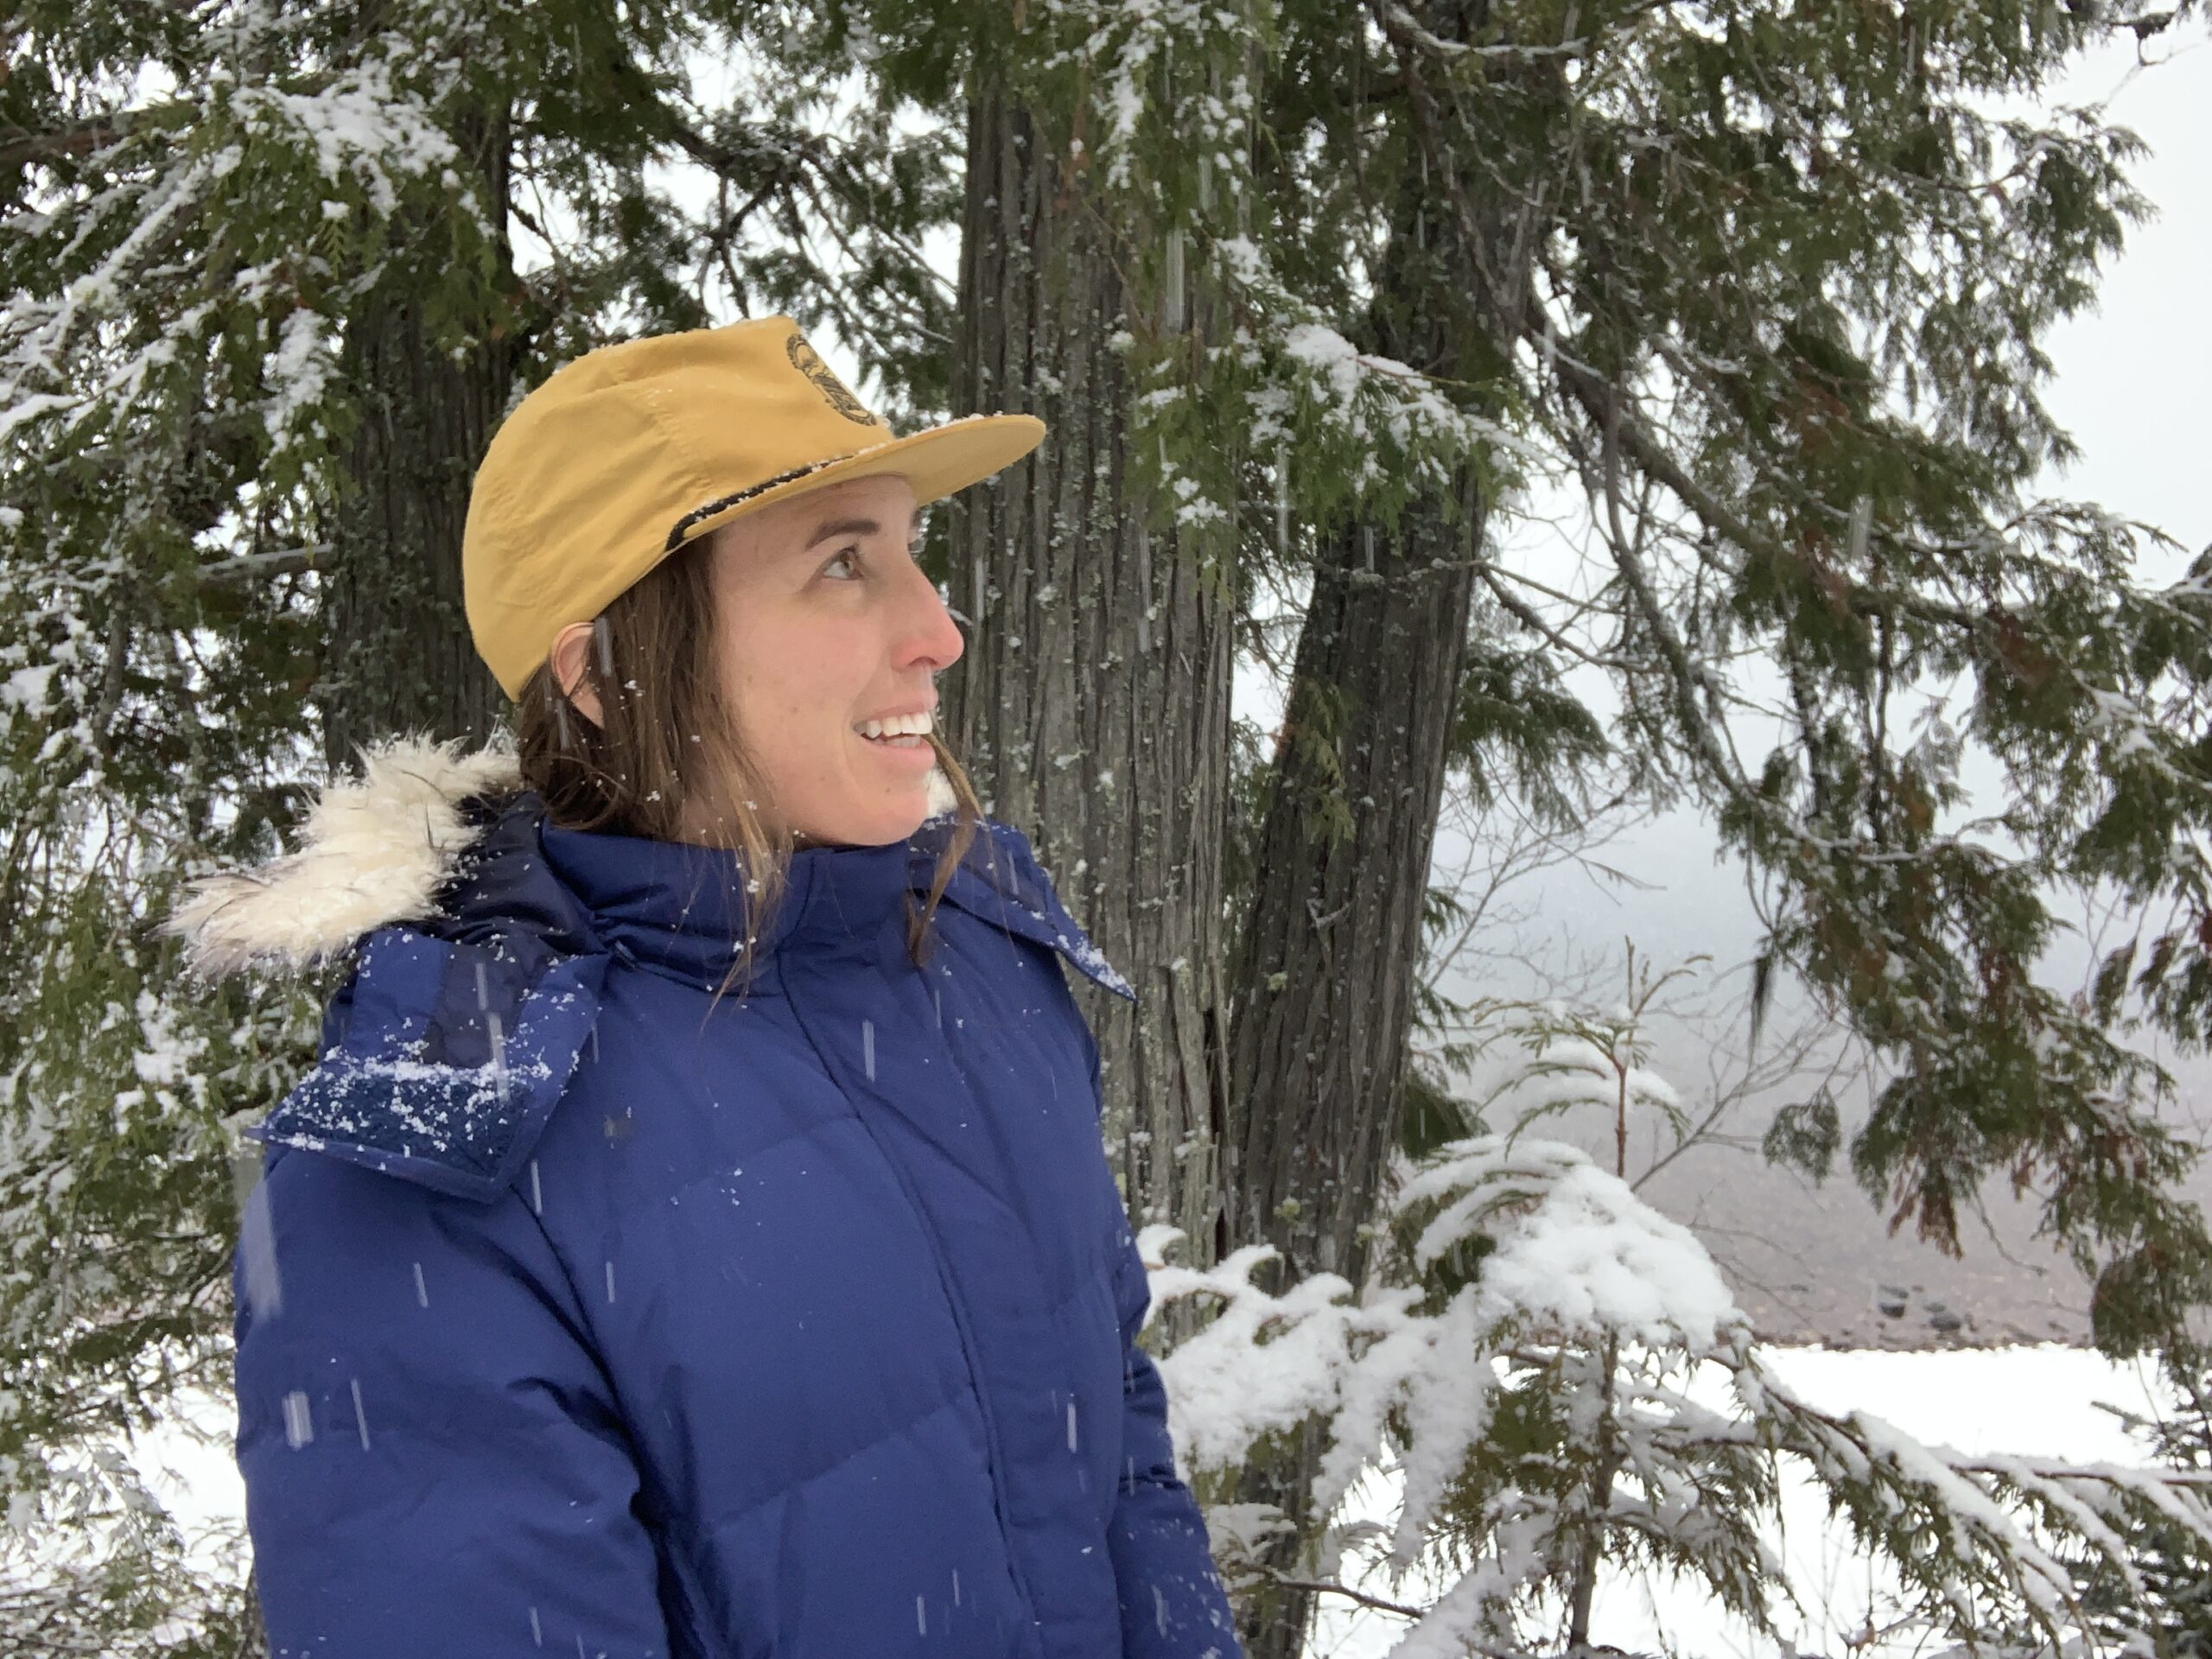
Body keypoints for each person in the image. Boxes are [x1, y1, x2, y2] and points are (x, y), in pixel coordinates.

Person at [170, 316, 1243, 1659]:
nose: (937, 630)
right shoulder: (433, 1155)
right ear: (603, 675)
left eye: (913, 551)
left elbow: (1117, 1452)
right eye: (842, 565)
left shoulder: (974, 963)